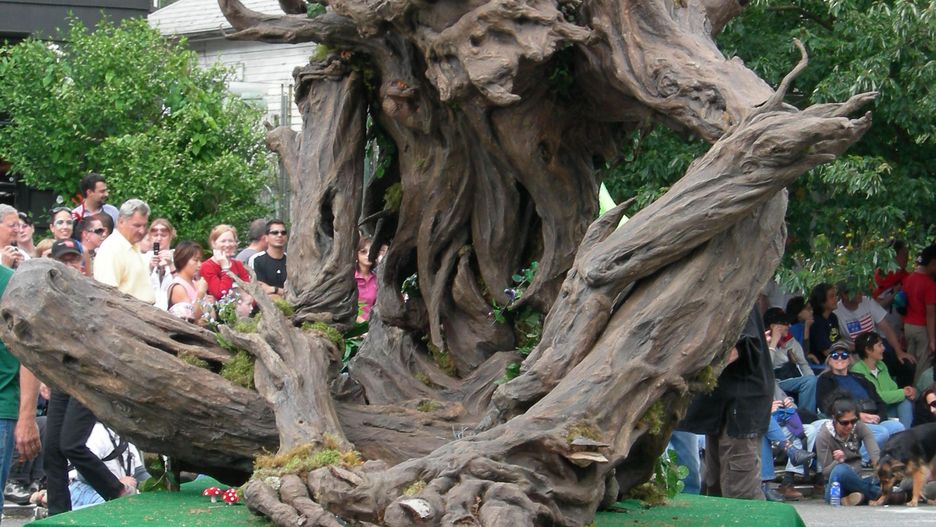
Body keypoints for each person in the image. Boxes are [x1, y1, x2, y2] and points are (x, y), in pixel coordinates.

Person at [677, 307, 773, 500]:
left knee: (739, 490)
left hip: (740, 407)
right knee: (715, 485)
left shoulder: (737, 294)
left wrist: (694, 370)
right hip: (719, 407)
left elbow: (740, 347)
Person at [0, 204, 42, 523]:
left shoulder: (10, 282)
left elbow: (28, 349)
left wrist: (26, 416)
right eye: (11, 225)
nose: (16, 230)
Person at [816, 341, 904, 460]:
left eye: (844, 355)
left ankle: (884, 460)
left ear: (849, 360)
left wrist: (879, 417)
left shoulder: (860, 378)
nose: (840, 358)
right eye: (835, 356)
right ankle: (854, 459)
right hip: (849, 421)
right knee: (882, 432)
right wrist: (858, 416)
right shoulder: (825, 379)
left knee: (898, 427)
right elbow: (826, 405)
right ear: (829, 361)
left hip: (872, 419)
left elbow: (879, 401)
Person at [835, 280, 915, 387]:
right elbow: (837, 342)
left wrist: (899, 352)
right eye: (856, 291)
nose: (861, 293)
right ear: (845, 295)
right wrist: (856, 348)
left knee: (907, 365)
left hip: (877, 346)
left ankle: (904, 391)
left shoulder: (868, 301)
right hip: (856, 353)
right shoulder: (836, 313)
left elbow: (886, 328)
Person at [816, 394, 880, 506]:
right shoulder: (824, 435)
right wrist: (837, 461)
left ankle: (854, 497)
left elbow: (875, 453)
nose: (850, 426)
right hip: (836, 484)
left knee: (882, 474)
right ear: (834, 419)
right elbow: (826, 472)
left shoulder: (859, 426)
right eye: (844, 423)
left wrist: (880, 469)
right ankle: (880, 494)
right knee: (841, 470)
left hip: (857, 480)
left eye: (853, 421)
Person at [67, 423, 149, 509]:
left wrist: (156, 486)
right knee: (118, 509)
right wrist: (116, 484)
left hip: (118, 489)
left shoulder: (127, 435)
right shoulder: (97, 432)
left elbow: (139, 473)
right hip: (86, 489)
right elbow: (83, 472)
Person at [93, 199, 155, 304]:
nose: (142, 231)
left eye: (144, 225)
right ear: (121, 222)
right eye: (137, 225)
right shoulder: (111, 249)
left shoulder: (132, 246)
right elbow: (107, 295)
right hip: (128, 311)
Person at [850, 332, 915, 428]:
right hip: (874, 413)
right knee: (904, 399)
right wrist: (903, 392)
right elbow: (877, 397)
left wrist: (907, 391)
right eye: (879, 345)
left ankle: (906, 434)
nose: (883, 348)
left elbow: (893, 388)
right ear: (868, 350)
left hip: (888, 408)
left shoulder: (881, 365)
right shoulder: (857, 370)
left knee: (905, 402)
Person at [765, 308, 817, 413]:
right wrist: (774, 342)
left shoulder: (790, 340)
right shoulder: (764, 341)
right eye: (784, 323)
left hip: (791, 377)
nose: (789, 326)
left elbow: (803, 364)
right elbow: (766, 368)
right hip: (774, 382)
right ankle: (804, 416)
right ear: (773, 326)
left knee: (813, 380)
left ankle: (806, 416)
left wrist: (812, 379)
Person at [901, 245, 936, 386]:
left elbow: (903, 304)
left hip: (908, 326)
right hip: (922, 329)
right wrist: (932, 339)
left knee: (911, 362)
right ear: (933, 263)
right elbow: (931, 314)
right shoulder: (929, 284)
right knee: (923, 366)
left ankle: (908, 387)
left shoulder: (909, 278)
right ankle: (920, 394)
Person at [200, 224, 250, 300]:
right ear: (213, 243)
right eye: (223, 241)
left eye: (231, 241)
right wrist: (226, 269)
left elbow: (250, 291)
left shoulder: (238, 264)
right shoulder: (207, 266)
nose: (227, 245)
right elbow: (221, 294)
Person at [167, 241, 210, 323]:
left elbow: (211, 314)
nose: (199, 265)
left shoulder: (197, 284)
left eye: (200, 260)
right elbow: (191, 317)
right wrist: (201, 293)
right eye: (195, 260)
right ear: (182, 261)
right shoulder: (178, 287)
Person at [248, 220, 287, 298]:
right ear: (266, 238)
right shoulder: (256, 260)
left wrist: (273, 289)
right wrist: (280, 291)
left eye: (283, 233)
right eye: (275, 232)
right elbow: (258, 289)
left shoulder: (292, 260)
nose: (280, 235)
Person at [145, 219, 176, 310]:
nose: (159, 239)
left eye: (163, 235)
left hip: (171, 309)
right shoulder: (144, 258)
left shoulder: (178, 257)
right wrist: (150, 268)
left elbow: (184, 285)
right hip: (148, 308)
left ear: (171, 236)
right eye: (155, 235)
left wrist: (171, 265)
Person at [808, 283, 841, 364]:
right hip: (823, 362)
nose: (836, 299)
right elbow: (826, 351)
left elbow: (838, 341)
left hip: (837, 357)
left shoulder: (833, 317)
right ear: (821, 301)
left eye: (835, 295)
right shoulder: (816, 322)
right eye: (831, 296)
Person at [355, 235, 377, 322]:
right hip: (352, 325)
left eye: (372, 251)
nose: (368, 255)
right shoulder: (350, 278)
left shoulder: (377, 279)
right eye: (363, 252)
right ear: (356, 255)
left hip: (373, 324)